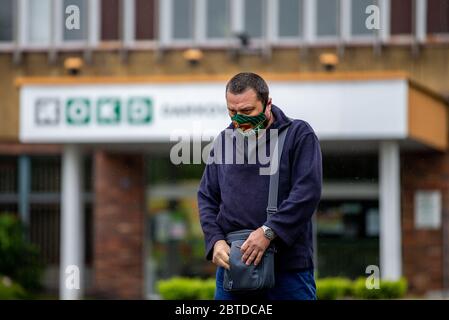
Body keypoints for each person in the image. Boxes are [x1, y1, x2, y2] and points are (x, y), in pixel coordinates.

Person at [197, 72, 322, 300]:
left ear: (267, 104)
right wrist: (215, 241)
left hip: (288, 271)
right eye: (232, 112)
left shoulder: (298, 135)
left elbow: (307, 193)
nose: (239, 120)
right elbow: (207, 197)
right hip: (233, 270)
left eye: (247, 112)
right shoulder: (224, 141)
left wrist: (268, 231)